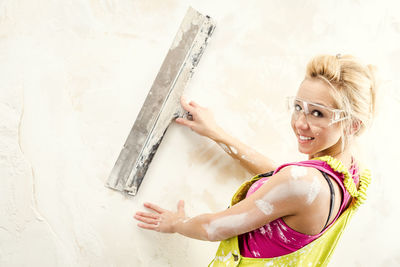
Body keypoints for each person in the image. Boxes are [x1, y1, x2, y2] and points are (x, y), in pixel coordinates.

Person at [134, 54, 376, 266]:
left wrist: (177, 223)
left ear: (353, 125)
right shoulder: (349, 173)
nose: (300, 123)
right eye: (298, 107)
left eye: (318, 113)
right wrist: (215, 132)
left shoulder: (304, 185)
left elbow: (213, 228)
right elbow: (281, 179)